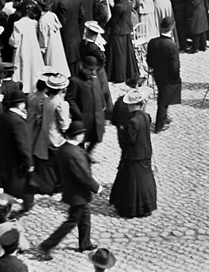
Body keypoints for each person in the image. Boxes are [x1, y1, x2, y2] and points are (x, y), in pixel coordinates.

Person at [35, 120, 98, 258]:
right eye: (82, 133)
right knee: (71, 222)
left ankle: (85, 243)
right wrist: (96, 187)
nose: (83, 136)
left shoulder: (64, 148)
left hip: (73, 191)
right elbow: (82, 174)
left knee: (85, 217)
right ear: (77, 135)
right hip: (77, 193)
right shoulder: (73, 153)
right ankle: (47, 245)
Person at [108, 87, 157, 217]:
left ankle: (131, 208)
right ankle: (147, 205)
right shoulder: (146, 117)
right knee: (145, 180)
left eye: (130, 104)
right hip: (145, 152)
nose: (128, 106)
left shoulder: (132, 122)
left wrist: (123, 130)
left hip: (134, 155)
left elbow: (128, 141)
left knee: (132, 183)